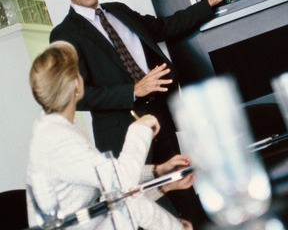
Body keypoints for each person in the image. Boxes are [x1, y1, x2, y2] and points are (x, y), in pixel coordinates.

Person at [50, 0, 232, 224]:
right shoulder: (63, 34)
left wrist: (210, 2)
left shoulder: (119, 11)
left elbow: (165, 27)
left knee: (187, 190)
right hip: (123, 134)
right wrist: (134, 90)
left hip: (161, 116)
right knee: (146, 210)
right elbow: (77, 96)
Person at [26, 41, 195, 230]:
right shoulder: (57, 139)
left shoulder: (57, 129)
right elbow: (120, 183)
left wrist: (159, 174)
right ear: (76, 84)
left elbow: (112, 189)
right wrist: (139, 129)